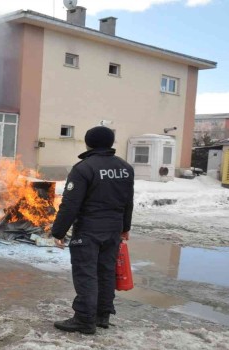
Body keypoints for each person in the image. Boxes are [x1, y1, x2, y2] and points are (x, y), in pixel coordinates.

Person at [51, 126, 134, 334]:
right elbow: (128, 201)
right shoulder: (125, 168)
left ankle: (84, 320)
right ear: (111, 143)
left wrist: (58, 232)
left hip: (89, 231)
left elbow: (70, 205)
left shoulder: (83, 168)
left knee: (86, 274)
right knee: (105, 272)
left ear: (88, 143)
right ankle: (101, 316)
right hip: (113, 230)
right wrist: (125, 227)